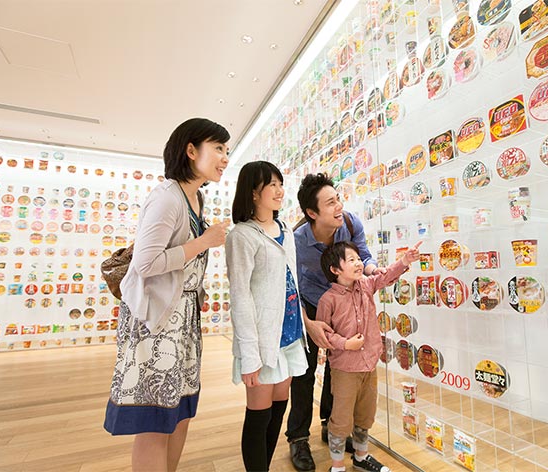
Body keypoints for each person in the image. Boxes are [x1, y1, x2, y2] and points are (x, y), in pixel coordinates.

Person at [104, 118, 231, 472]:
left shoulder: (196, 197)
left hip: (182, 320)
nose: (224, 157)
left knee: (179, 413)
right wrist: (203, 242)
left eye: (227, 150)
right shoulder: (167, 197)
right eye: (218, 148)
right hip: (155, 324)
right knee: (154, 420)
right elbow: (145, 264)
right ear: (191, 150)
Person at [287, 173, 382, 471]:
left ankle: (332, 425)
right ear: (312, 213)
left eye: (338, 198)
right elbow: (289, 285)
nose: (339, 206)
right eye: (330, 203)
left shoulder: (350, 224)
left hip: (343, 304)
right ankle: (298, 437)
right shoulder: (297, 242)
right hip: (310, 304)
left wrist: (372, 269)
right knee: (304, 372)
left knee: (338, 367)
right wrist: (308, 323)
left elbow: (364, 255)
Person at [226, 161, 309, 472]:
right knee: (259, 415)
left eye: (280, 183)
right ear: (253, 192)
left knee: (278, 408)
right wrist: (250, 355)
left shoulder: (285, 230)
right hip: (262, 340)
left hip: (289, 334)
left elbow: (292, 282)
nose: (279, 190)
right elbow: (240, 297)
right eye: (271, 184)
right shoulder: (241, 236)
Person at [317, 240, 421, 472]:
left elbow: (385, 277)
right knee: (341, 419)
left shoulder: (366, 285)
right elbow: (323, 335)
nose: (358, 263)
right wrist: (345, 344)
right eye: (351, 260)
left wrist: (404, 261)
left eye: (358, 258)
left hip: (369, 365)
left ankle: (361, 457)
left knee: (366, 415)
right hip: (345, 369)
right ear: (335, 269)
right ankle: (337, 466)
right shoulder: (328, 300)